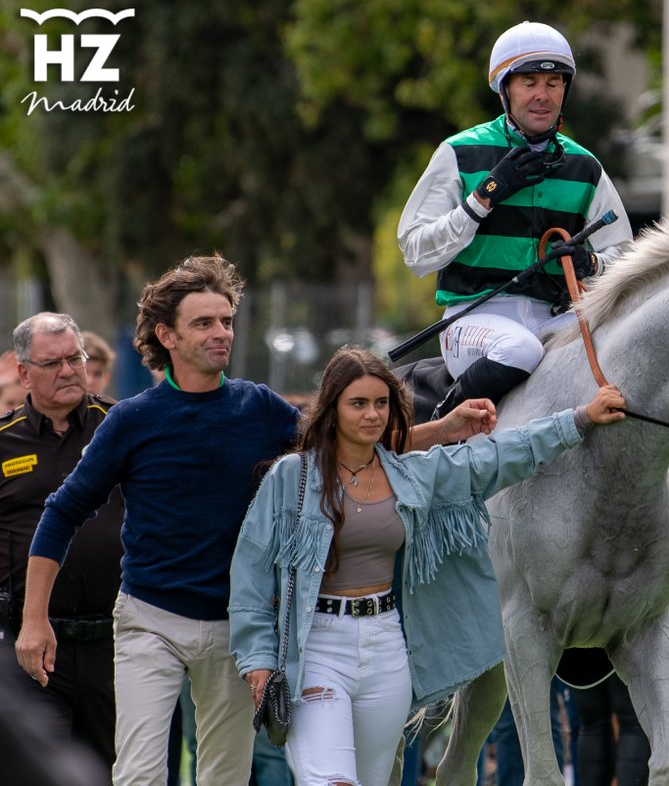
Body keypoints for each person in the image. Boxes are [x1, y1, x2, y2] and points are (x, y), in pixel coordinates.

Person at [15, 255, 495, 785]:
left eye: (226, 321)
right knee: (140, 775)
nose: (221, 333)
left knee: (225, 776)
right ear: (165, 336)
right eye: (203, 323)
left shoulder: (259, 408)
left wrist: (444, 428)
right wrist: (35, 619)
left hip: (235, 627)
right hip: (150, 620)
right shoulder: (132, 421)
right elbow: (61, 513)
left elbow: (355, 446)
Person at [227, 345, 625, 785]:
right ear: (332, 409)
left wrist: (580, 419)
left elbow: (499, 454)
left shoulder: (412, 473)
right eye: (358, 403)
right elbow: (250, 574)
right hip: (317, 646)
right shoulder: (291, 478)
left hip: (387, 648)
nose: (372, 415)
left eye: (381, 403)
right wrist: (258, 660)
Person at [398, 20, 632, 416]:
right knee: (520, 349)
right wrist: (482, 199)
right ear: (505, 89)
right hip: (472, 319)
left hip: (554, 320)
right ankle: (444, 424)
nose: (542, 95)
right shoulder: (459, 153)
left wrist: (592, 264)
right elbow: (416, 252)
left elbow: (626, 254)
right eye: (529, 82)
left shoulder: (585, 165)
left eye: (554, 83)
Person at [0, 312, 123, 771]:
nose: (70, 370)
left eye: (76, 358)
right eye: (54, 363)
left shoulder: (122, 427)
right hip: (26, 646)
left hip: (114, 643)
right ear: (24, 373)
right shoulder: (4, 443)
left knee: (119, 771)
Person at [81, 331, 116, 396]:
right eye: (84, 373)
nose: (90, 381)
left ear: (107, 379)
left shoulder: (117, 406)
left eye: (97, 374)